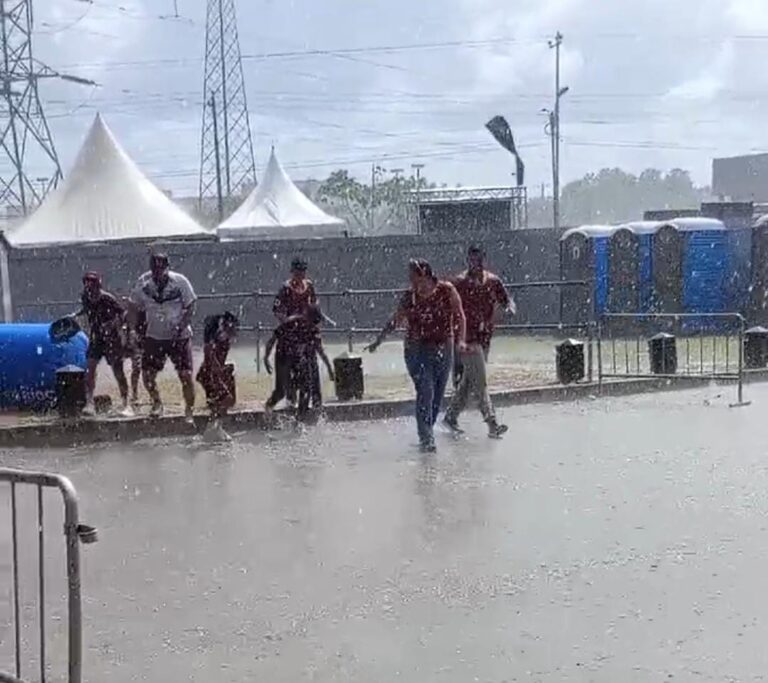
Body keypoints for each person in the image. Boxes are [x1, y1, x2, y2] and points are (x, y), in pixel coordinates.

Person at [367, 258, 466, 453]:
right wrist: (378, 341)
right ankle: (426, 438)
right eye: (410, 278)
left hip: (443, 346)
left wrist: (460, 342)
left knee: (437, 396)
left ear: (425, 276)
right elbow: (395, 321)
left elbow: (460, 316)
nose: (411, 282)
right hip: (416, 349)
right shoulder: (409, 297)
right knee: (425, 390)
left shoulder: (446, 290)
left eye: (414, 277)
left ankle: (427, 427)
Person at [444, 245, 515, 438]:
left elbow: (507, 302)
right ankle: (492, 423)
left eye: (479, 259)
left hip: (484, 339)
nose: (476, 263)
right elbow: (447, 306)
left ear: (484, 259)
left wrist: (506, 311)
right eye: (472, 260)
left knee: (469, 381)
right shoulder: (460, 282)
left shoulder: (493, 281)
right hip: (466, 339)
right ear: (468, 260)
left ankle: (450, 416)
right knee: (481, 382)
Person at [130, 253, 197, 420]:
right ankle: (157, 402)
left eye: (161, 269)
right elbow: (133, 305)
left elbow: (191, 305)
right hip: (154, 336)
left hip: (179, 337)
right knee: (147, 375)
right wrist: (133, 330)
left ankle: (189, 410)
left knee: (186, 375)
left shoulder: (180, 281)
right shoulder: (143, 282)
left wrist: (181, 326)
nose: (158, 273)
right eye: (155, 270)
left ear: (167, 268)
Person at [77, 272, 133, 417]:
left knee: (118, 371)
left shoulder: (107, 299)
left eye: (92, 285)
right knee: (90, 368)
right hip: (96, 338)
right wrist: (75, 316)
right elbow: (86, 311)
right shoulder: (85, 298)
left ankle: (126, 403)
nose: (89, 288)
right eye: (87, 284)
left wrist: (112, 325)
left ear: (98, 285)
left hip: (112, 340)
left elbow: (123, 315)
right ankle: (89, 402)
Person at [264, 304, 334, 418]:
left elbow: (320, 350)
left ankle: (300, 419)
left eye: (315, 323)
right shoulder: (290, 323)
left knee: (306, 388)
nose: (313, 325)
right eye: (312, 321)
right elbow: (272, 340)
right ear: (306, 316)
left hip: (298, 358)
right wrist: (266, 358)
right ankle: (268, 409)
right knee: (281, 391)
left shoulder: (313, 329)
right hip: (283, 357)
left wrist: (330, 369)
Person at [272, 257, 318, 407]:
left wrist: (313, 319)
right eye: (298, 271)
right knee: (293, 371)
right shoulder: (285, 289)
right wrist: (291, 320)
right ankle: (291, 401)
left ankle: (311, 402)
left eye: (303, 271)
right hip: (291, 337)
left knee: (310, 369)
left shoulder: (309, 286)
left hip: (307, 335)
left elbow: (314, 305)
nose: (301, 274)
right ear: (292, 272)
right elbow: (278, 312)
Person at [197, 312, 239, 442]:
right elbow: (209, 354)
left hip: (211, 373)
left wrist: (225, 368)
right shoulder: (215, 339)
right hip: (211, 374)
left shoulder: (221, 338)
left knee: (221, 401)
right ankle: (212, 428)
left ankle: (216, 428)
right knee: (227, 399)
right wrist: (218, 370)